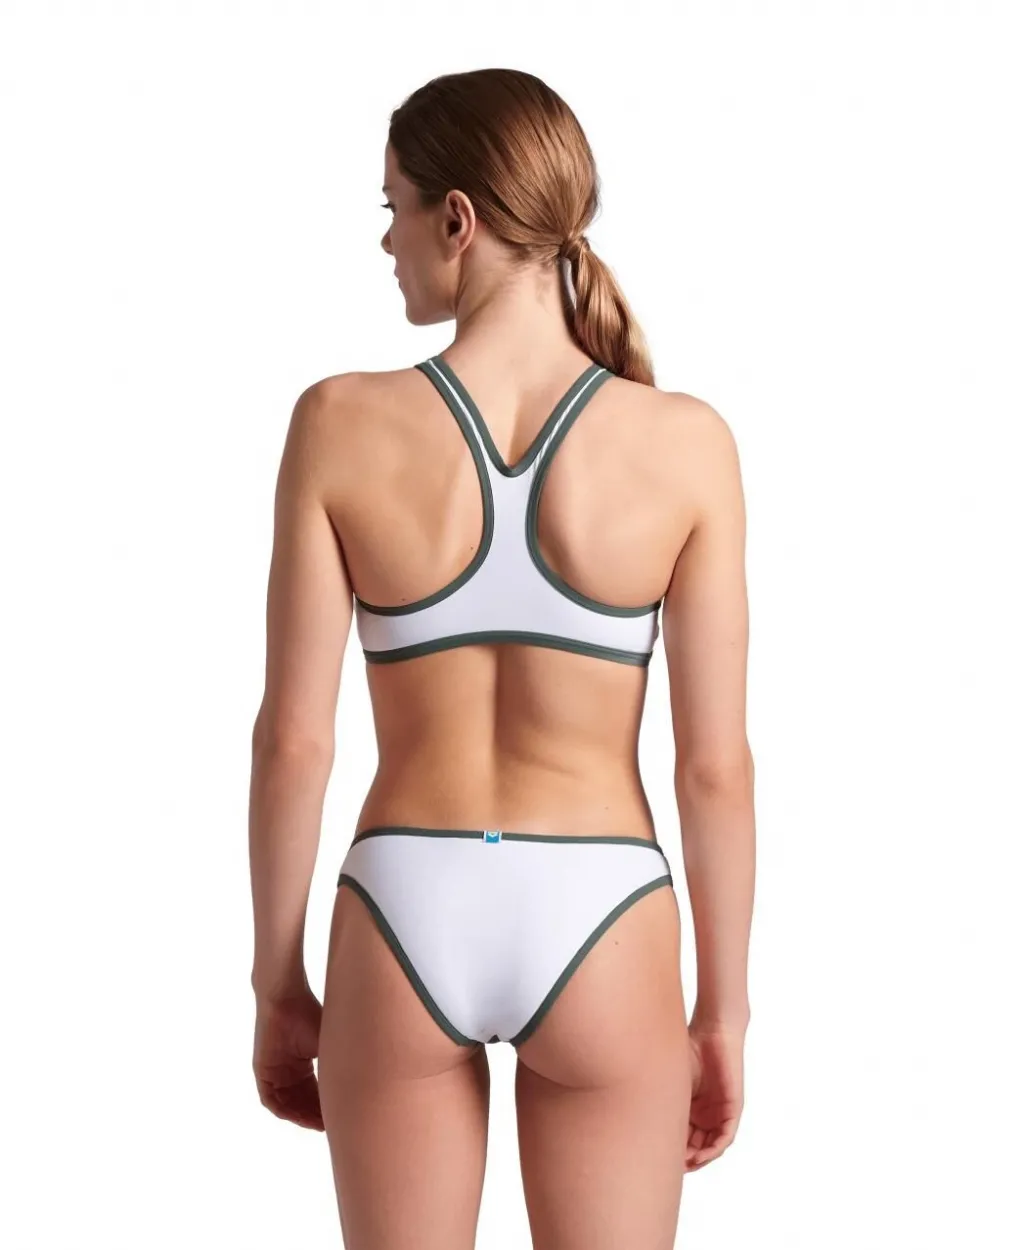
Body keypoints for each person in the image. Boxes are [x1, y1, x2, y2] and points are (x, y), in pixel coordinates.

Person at [249, 67, 755, 1250]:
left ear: (458, 220)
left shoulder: (335, 422)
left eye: (392, 207)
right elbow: (713, 767)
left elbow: (296, 740)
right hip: (602, 907)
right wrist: (722, 1009)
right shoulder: (685, 444)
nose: (385, 241)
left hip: (402, 903)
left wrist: (277, 981)